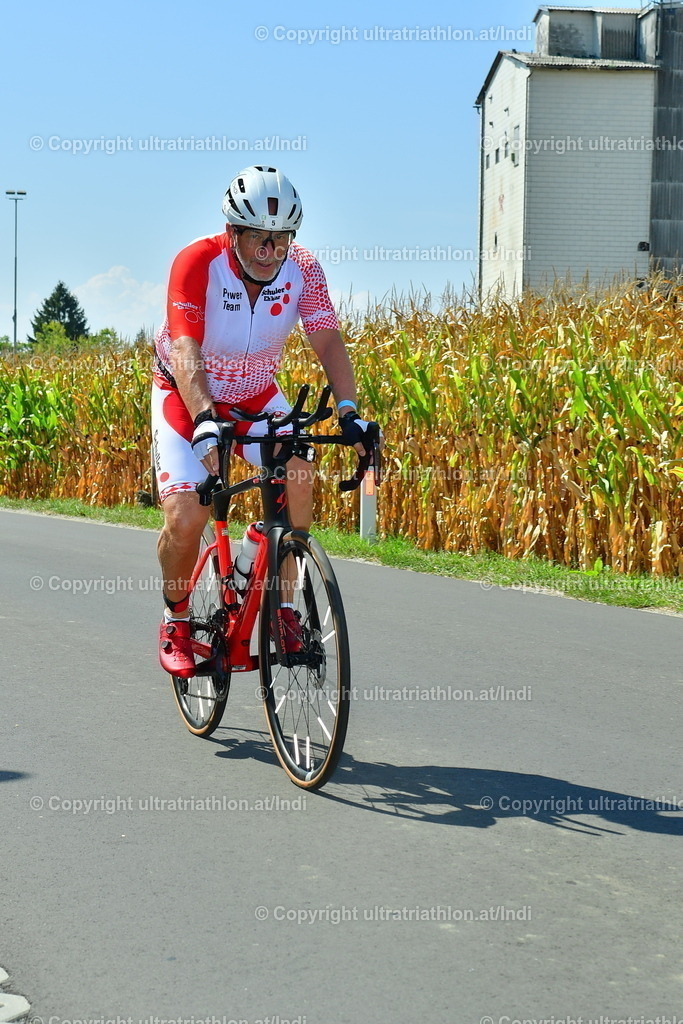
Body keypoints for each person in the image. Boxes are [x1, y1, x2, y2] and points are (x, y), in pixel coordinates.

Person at [153, 165, 374, 677]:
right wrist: (205, 417)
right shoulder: (197, 262)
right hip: (188, 396)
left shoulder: (304, 269)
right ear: (233, 232)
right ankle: (177, 617)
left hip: (256, 394)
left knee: (299, 472)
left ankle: (284, 607)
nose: (269, 252)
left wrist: (350, 412)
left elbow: (327, 339)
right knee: (187, 518)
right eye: (257, 238)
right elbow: (186, 346)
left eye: (280, 239)